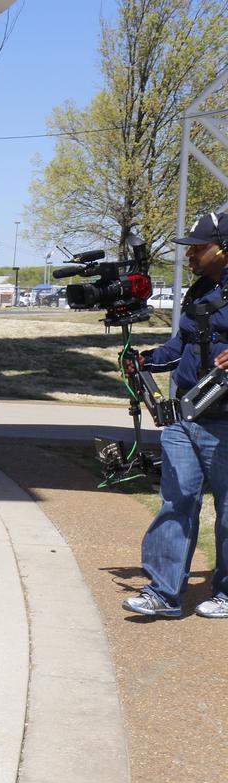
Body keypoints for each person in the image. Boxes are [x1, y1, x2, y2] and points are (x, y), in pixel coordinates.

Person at [124, 210, 228, 619]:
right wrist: (146, 359)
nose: (190, 255)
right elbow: (181, 347)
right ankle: (162, 593)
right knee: (177, 501)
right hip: (185, 415)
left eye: (198, 247)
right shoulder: (200, 290)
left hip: (225, 421)